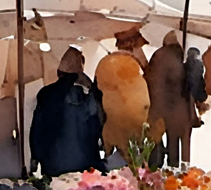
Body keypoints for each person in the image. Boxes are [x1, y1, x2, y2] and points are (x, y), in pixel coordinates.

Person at [29, 47, 104, 176]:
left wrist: (35, 156)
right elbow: (100, 126)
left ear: (59, 72)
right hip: (87, 165)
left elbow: (37, 129)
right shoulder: (91, 97)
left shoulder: (46, 94)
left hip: (53, 164)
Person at [94, 28, 153, 157]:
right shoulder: (132, 65)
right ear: (132, 45)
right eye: (138, 47)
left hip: (109, 123)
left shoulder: (104, 62)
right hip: (132, 123)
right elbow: (144, 95)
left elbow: (96, 93)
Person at [146, 31, 194, 169]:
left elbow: (150, 78)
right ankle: (176, 168)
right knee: (176, 139)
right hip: (177, 106)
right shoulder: (180, 58)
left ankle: (159, 166)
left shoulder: (157, 55)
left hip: (157, 106)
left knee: (158, 137)